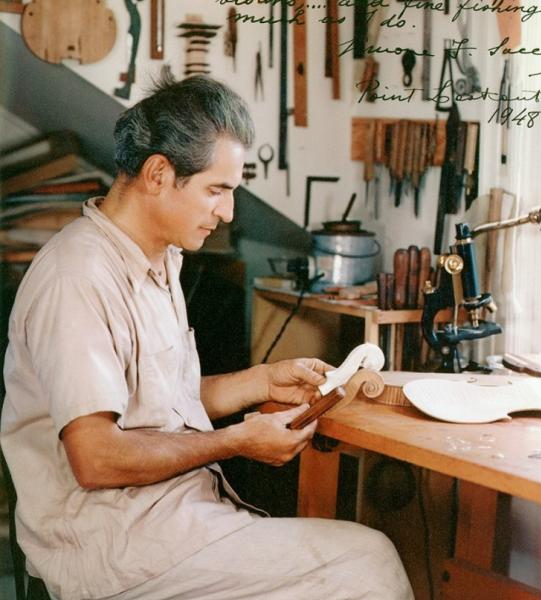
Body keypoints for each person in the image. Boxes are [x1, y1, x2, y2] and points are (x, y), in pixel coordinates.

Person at [1, 73, 414, 600]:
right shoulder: (77, 277)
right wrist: (237, 439)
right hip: (110, 543)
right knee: (367, 560)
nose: (228, 212)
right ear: (157, 174)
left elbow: (158, 404)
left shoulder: (158, 258)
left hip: (171, 516)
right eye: (216, 190)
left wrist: (262, 381)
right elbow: (97, 456)